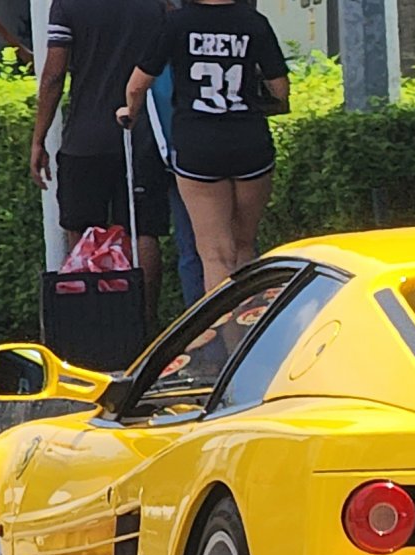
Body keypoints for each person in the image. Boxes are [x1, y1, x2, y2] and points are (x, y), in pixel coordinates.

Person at [122, 0, 290, 294]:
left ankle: (223, 323)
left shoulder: (176, 23)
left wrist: (130, 112)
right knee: (244, 246)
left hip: (197, 144)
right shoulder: (254, 22)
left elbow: (137, 85)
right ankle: (250, 319)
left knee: (214, 254)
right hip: (249, 141)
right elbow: (281, 89)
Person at [31, 0, 168, 328]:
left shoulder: (67, 5)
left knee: (81, 230)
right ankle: (144, 325)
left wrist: (38, 138)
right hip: (141, 133)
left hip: (85, 137)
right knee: (143, 231)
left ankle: (89, 323)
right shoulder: (155, 4)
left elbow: (54, 75)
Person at [144, 0, 206, 309]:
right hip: (225, 152)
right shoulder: (201, 37)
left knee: (193, 248)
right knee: (236, 245)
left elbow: (141, 92)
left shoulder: (160, 43)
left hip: (176, 158)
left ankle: (201, 323)